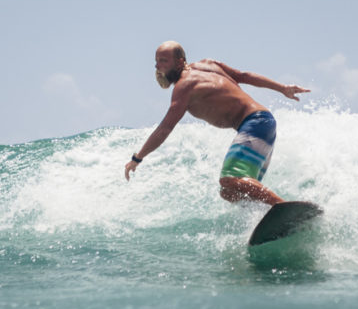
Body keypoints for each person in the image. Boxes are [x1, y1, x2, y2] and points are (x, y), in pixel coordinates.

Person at [124, 41, 310, 206]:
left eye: (164, 61)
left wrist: (137, 158)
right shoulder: (209, 64)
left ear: (180, 61)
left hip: (255, 122)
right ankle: (272, 217)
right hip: (264, 122)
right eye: (156, 61)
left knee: (230, 178)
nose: (158, 66)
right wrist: (282, 88)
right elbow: (244, 76)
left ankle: (282, 207)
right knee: (229, 192)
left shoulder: (184, 86)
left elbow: (165, 128)